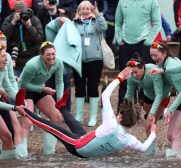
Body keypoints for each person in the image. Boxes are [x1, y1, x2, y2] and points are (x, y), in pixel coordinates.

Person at [17, 67, 158, 158]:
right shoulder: (129, 140)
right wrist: (153, 132)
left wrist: (119, 78)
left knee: (50, 126)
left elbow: (105, 95)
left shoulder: (112, 124)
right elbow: (144, 147)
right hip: (86, 151)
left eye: (118, 114)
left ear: (120, 116)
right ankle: (62, 107)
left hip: (76, 147)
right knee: (77, 127)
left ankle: (24, 110)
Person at [19, 41, 86, 156]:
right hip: (26, 91)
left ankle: (49, 153)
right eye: (48, 55)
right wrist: (43, 89)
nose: (51, 57)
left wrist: (60, 100)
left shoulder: (58, 62)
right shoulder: (32, 65)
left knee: (56, 117)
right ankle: (22, 154)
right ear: (42, 55)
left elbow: (59, 82)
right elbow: (22, 84)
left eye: (53, 54)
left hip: (41, 90)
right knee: (27, 122)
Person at [148, 41, 181, 157]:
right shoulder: (162, 64)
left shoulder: (170, 65)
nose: (153, 58)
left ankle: (174, 161)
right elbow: (164, 90)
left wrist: (170, 110)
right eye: (151, 55)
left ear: (164, 53)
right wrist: (153, 111)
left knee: (176, 135)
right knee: (170, 135)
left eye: (156, 55)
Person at [114, 0, 161, 110]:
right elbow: (118, 22)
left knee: (147, 78)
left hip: (144, 42)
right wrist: (119, 38)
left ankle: (151, 111)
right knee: (124, 79)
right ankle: (124, 111)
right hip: (125, 43)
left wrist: (148, 41)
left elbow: (157, 23)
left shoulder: (152, 1)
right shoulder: (121, 1)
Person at [124, 53, 171, 155]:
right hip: (148, 96)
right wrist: (124, 110)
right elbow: (129, 93)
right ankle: (163, 113)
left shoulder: (152, 71)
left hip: (162, 96)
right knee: (149, 113)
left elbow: (159, 94)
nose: (134, 75)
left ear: (143, 68)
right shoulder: (131, 76)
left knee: (149, 124)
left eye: (136, 72)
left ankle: (151, 150)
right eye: (132, 73)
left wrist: (152, 113)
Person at [72, 1, 107, 127]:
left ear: (91, 10)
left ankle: (93, 117)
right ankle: (79, 116)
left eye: (88, 8)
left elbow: (103, 27)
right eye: (83, 9)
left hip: (95, 59)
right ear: (79, 11)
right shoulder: (74, 23)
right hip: (78, 60)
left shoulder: (96, 21)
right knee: (79, 88)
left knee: (93, 87)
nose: (85, 11)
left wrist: (97, 13)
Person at [1, 1, 43, 77]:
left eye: (24, 11)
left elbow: (39, 39)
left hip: (32, 59)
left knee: (32, 86)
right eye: (19, 12)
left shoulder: (33, 19)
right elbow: (3, 37)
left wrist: (29, 26)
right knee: (16, 86)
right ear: (14, 12)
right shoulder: (9, 19)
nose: (22, 14)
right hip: (15, 59)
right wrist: (13, 22)